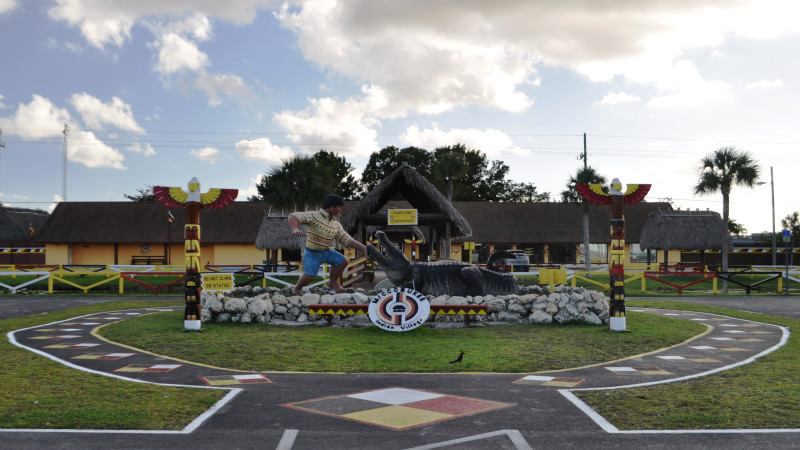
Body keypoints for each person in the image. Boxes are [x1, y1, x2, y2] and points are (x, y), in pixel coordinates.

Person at [288, 194, 367, 295]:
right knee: (310, 276)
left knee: (342, 261)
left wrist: (363, 247)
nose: (340, 210)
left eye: (340, 207)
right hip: (312, 253)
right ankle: (297, 288)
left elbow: (346, 239)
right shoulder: (313, 215)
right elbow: (293, 216)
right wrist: (294, 228)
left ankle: (333, 283)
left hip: (326, 251)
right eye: (338, 207)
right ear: (330, 207)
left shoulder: (336, 224)